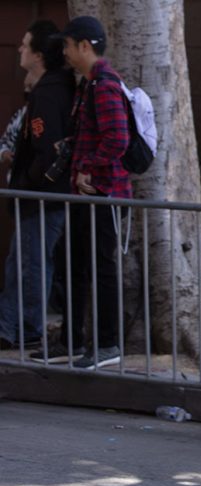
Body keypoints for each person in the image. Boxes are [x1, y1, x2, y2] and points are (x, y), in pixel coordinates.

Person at [30, 16, 130, 369]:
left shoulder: (103, 85)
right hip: (85, 194)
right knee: (73, 265)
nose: (65, 52)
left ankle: (106, 343)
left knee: (101, 269)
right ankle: (72, 340)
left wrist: (88, 165)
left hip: (104, 193)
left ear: (85, 46)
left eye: (69, 46)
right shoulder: (89, 84)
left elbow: (118, 139)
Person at [0, 20, 73, 350]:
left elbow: (50, 150)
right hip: (39, 196)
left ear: (39, 55)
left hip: (42, 197)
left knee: (31, 263)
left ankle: (25, 329)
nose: (19, 49)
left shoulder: (48, 93)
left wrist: (29, 182)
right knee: (21, 262)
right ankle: (11, 325)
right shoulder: (53, 88)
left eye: (25, 44)